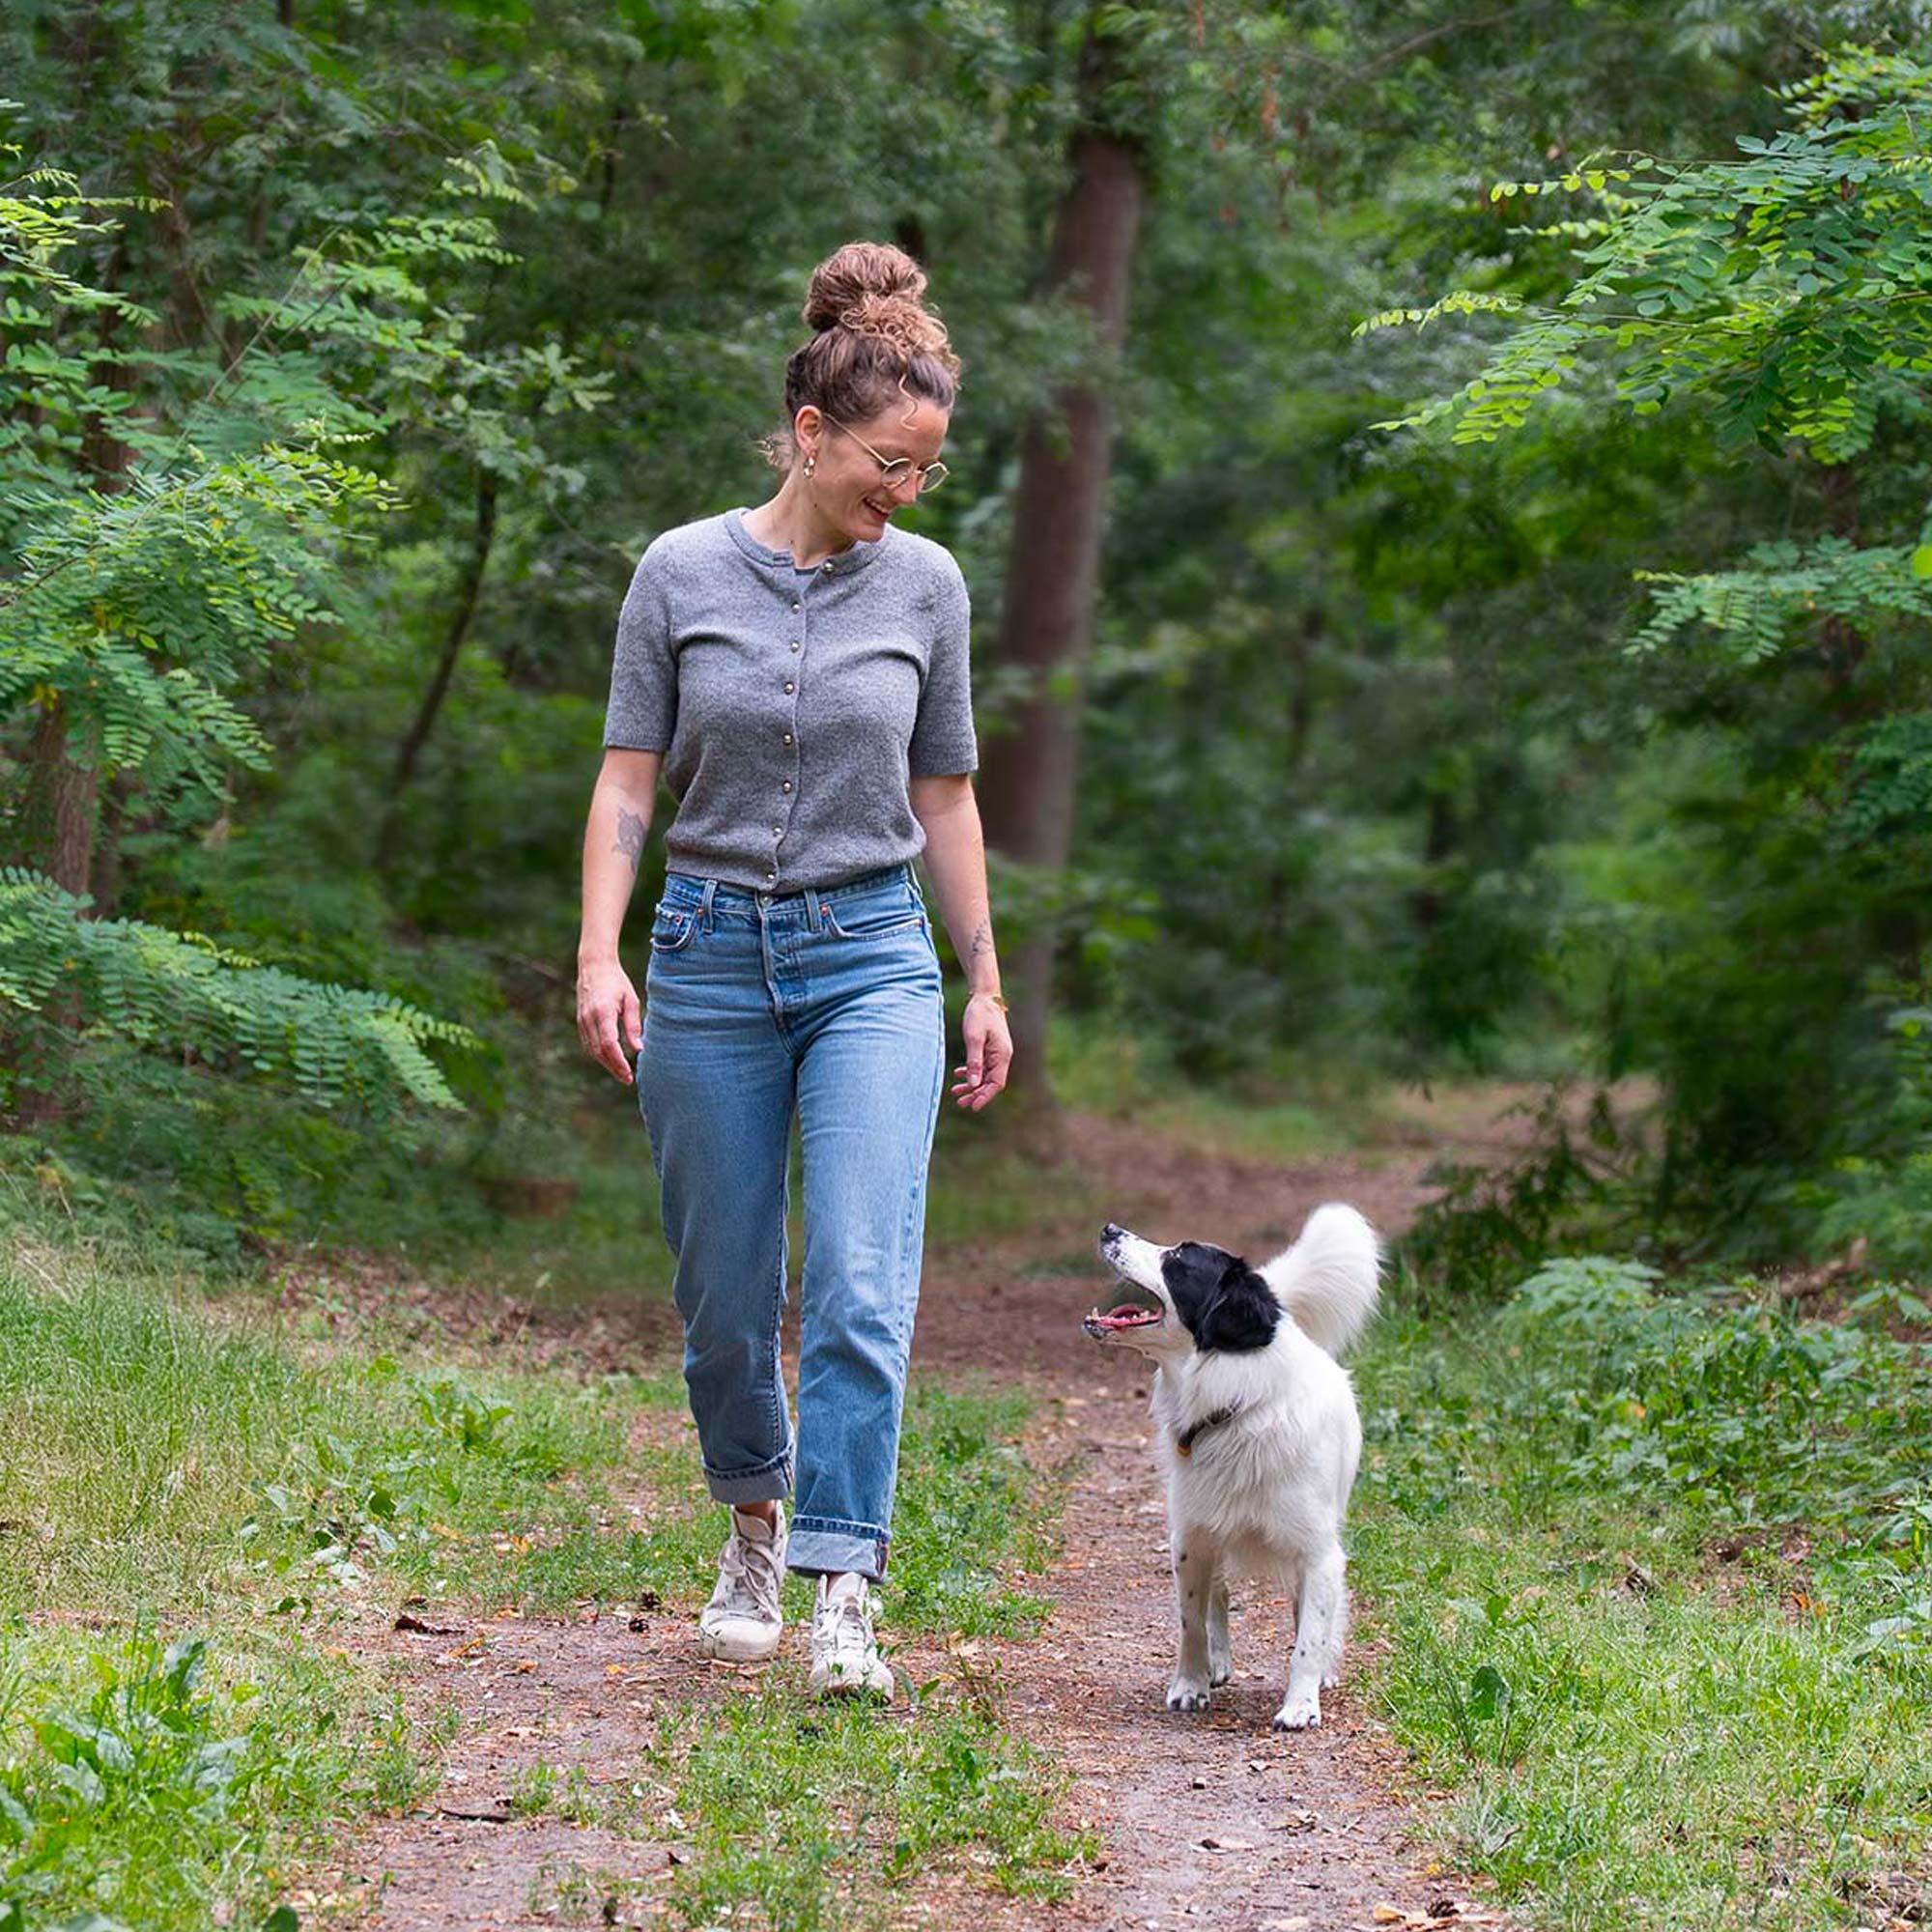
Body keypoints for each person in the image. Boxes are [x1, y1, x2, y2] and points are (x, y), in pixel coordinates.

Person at [575, 242, 1011, 1699]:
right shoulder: (680, 572)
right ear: (813, 435)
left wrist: (985, 982)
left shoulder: (929, 589)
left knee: (859, 1281)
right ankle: (754, 1524)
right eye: (891, 462)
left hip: (872, 956)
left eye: (929, 471)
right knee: (724, 1290)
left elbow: (946, 795)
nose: (909, 491)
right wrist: (600, 950)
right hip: (704, 954)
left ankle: (844, 1583)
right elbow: (628, 780)